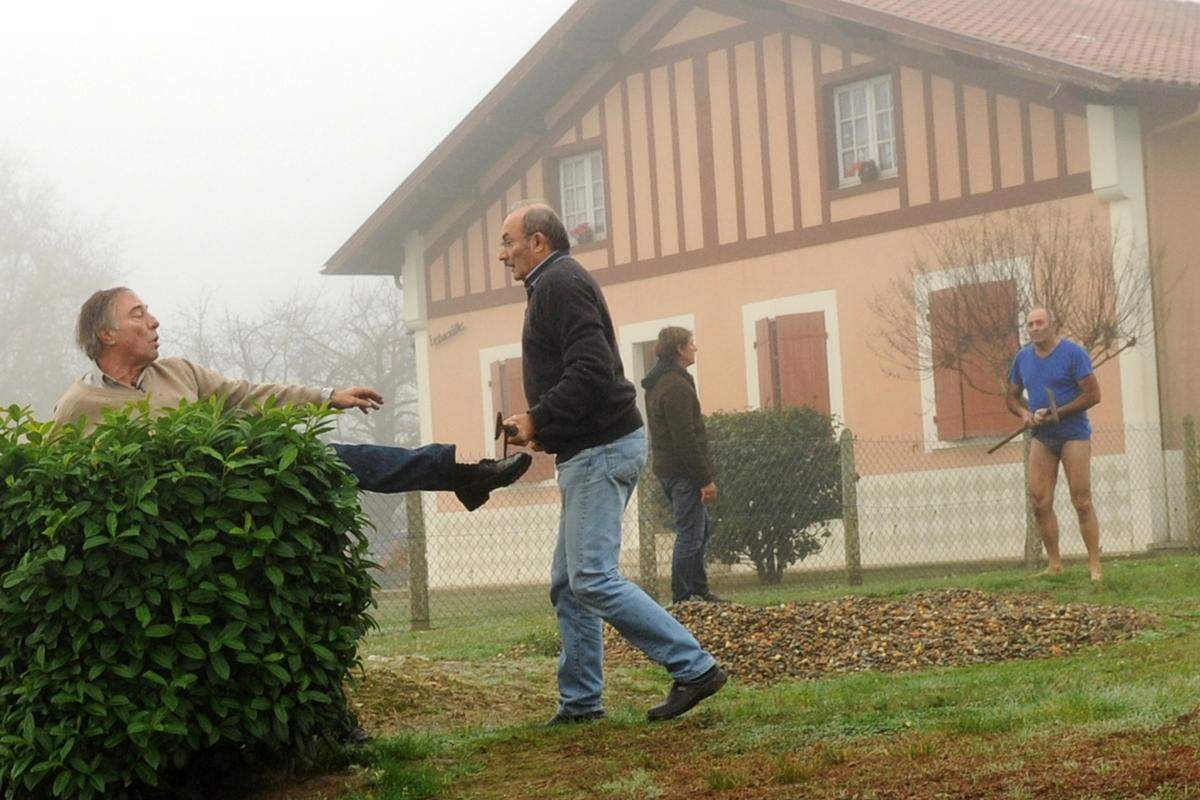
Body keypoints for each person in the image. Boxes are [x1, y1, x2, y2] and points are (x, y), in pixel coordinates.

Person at [499, 203, 725, 724]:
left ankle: (694, 667)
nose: (502, 254)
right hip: (589, 446)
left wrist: (538, 418)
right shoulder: (551, 285)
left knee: (593, 577)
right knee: (569, 581)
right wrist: (546, 428)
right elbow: (581, 376)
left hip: (601, 449)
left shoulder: (559, 284)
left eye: (509, 241)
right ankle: (580, 703)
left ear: (538, 242)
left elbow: (592, 370)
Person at [54, 287, 531, 511]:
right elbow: (53, 483)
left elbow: (251, 396)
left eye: (150, 311)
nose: (154, 320)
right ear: (107, 335)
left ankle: (461, 474)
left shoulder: (177, 372)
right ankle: (462, 477)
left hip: (229, 481)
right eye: (139, 314)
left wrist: (328, 396)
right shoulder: (80, 404)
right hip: (175, 513)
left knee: (331, 457)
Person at [1005, 307, 1103, 581]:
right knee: (1039, 501)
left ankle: (1095, 566)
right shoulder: (1022, 358)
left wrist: (1057, 412)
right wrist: (1025, 415)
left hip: (1074, 434)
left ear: (1052, 325)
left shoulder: (1073, 354)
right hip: (1043, 437)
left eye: (1039, 323)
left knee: (1081, 501)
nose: (1034, 328)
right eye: (1030, 324)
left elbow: (1094, 395)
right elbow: (1011, 397)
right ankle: (1054, 564)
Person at [641, 326, 722, 604]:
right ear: (679, 350)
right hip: (682, 472)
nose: (695, 348)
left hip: (669, 470)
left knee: (701, 527)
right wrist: (705, 480)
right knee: (690, 533)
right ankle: (683, 597)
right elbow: (685, 439)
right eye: (691, 343)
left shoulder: (659, 383)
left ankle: (698, 589)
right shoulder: (675, 386)